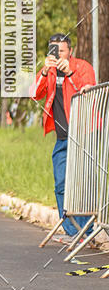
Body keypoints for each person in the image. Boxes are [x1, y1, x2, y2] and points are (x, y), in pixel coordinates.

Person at [31, 33, 95, 243]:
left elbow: (88, 92)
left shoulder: (82, 67)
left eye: (61, 50)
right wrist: (43, 70)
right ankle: (71, 232)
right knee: (61, 183)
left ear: (70, 51)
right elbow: (34, 94)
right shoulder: (49, 72)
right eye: (53, 50)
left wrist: (70, 74)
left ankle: (87, 231)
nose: (57, 54)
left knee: (83, 184)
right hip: (62, 136)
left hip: (84, 134)